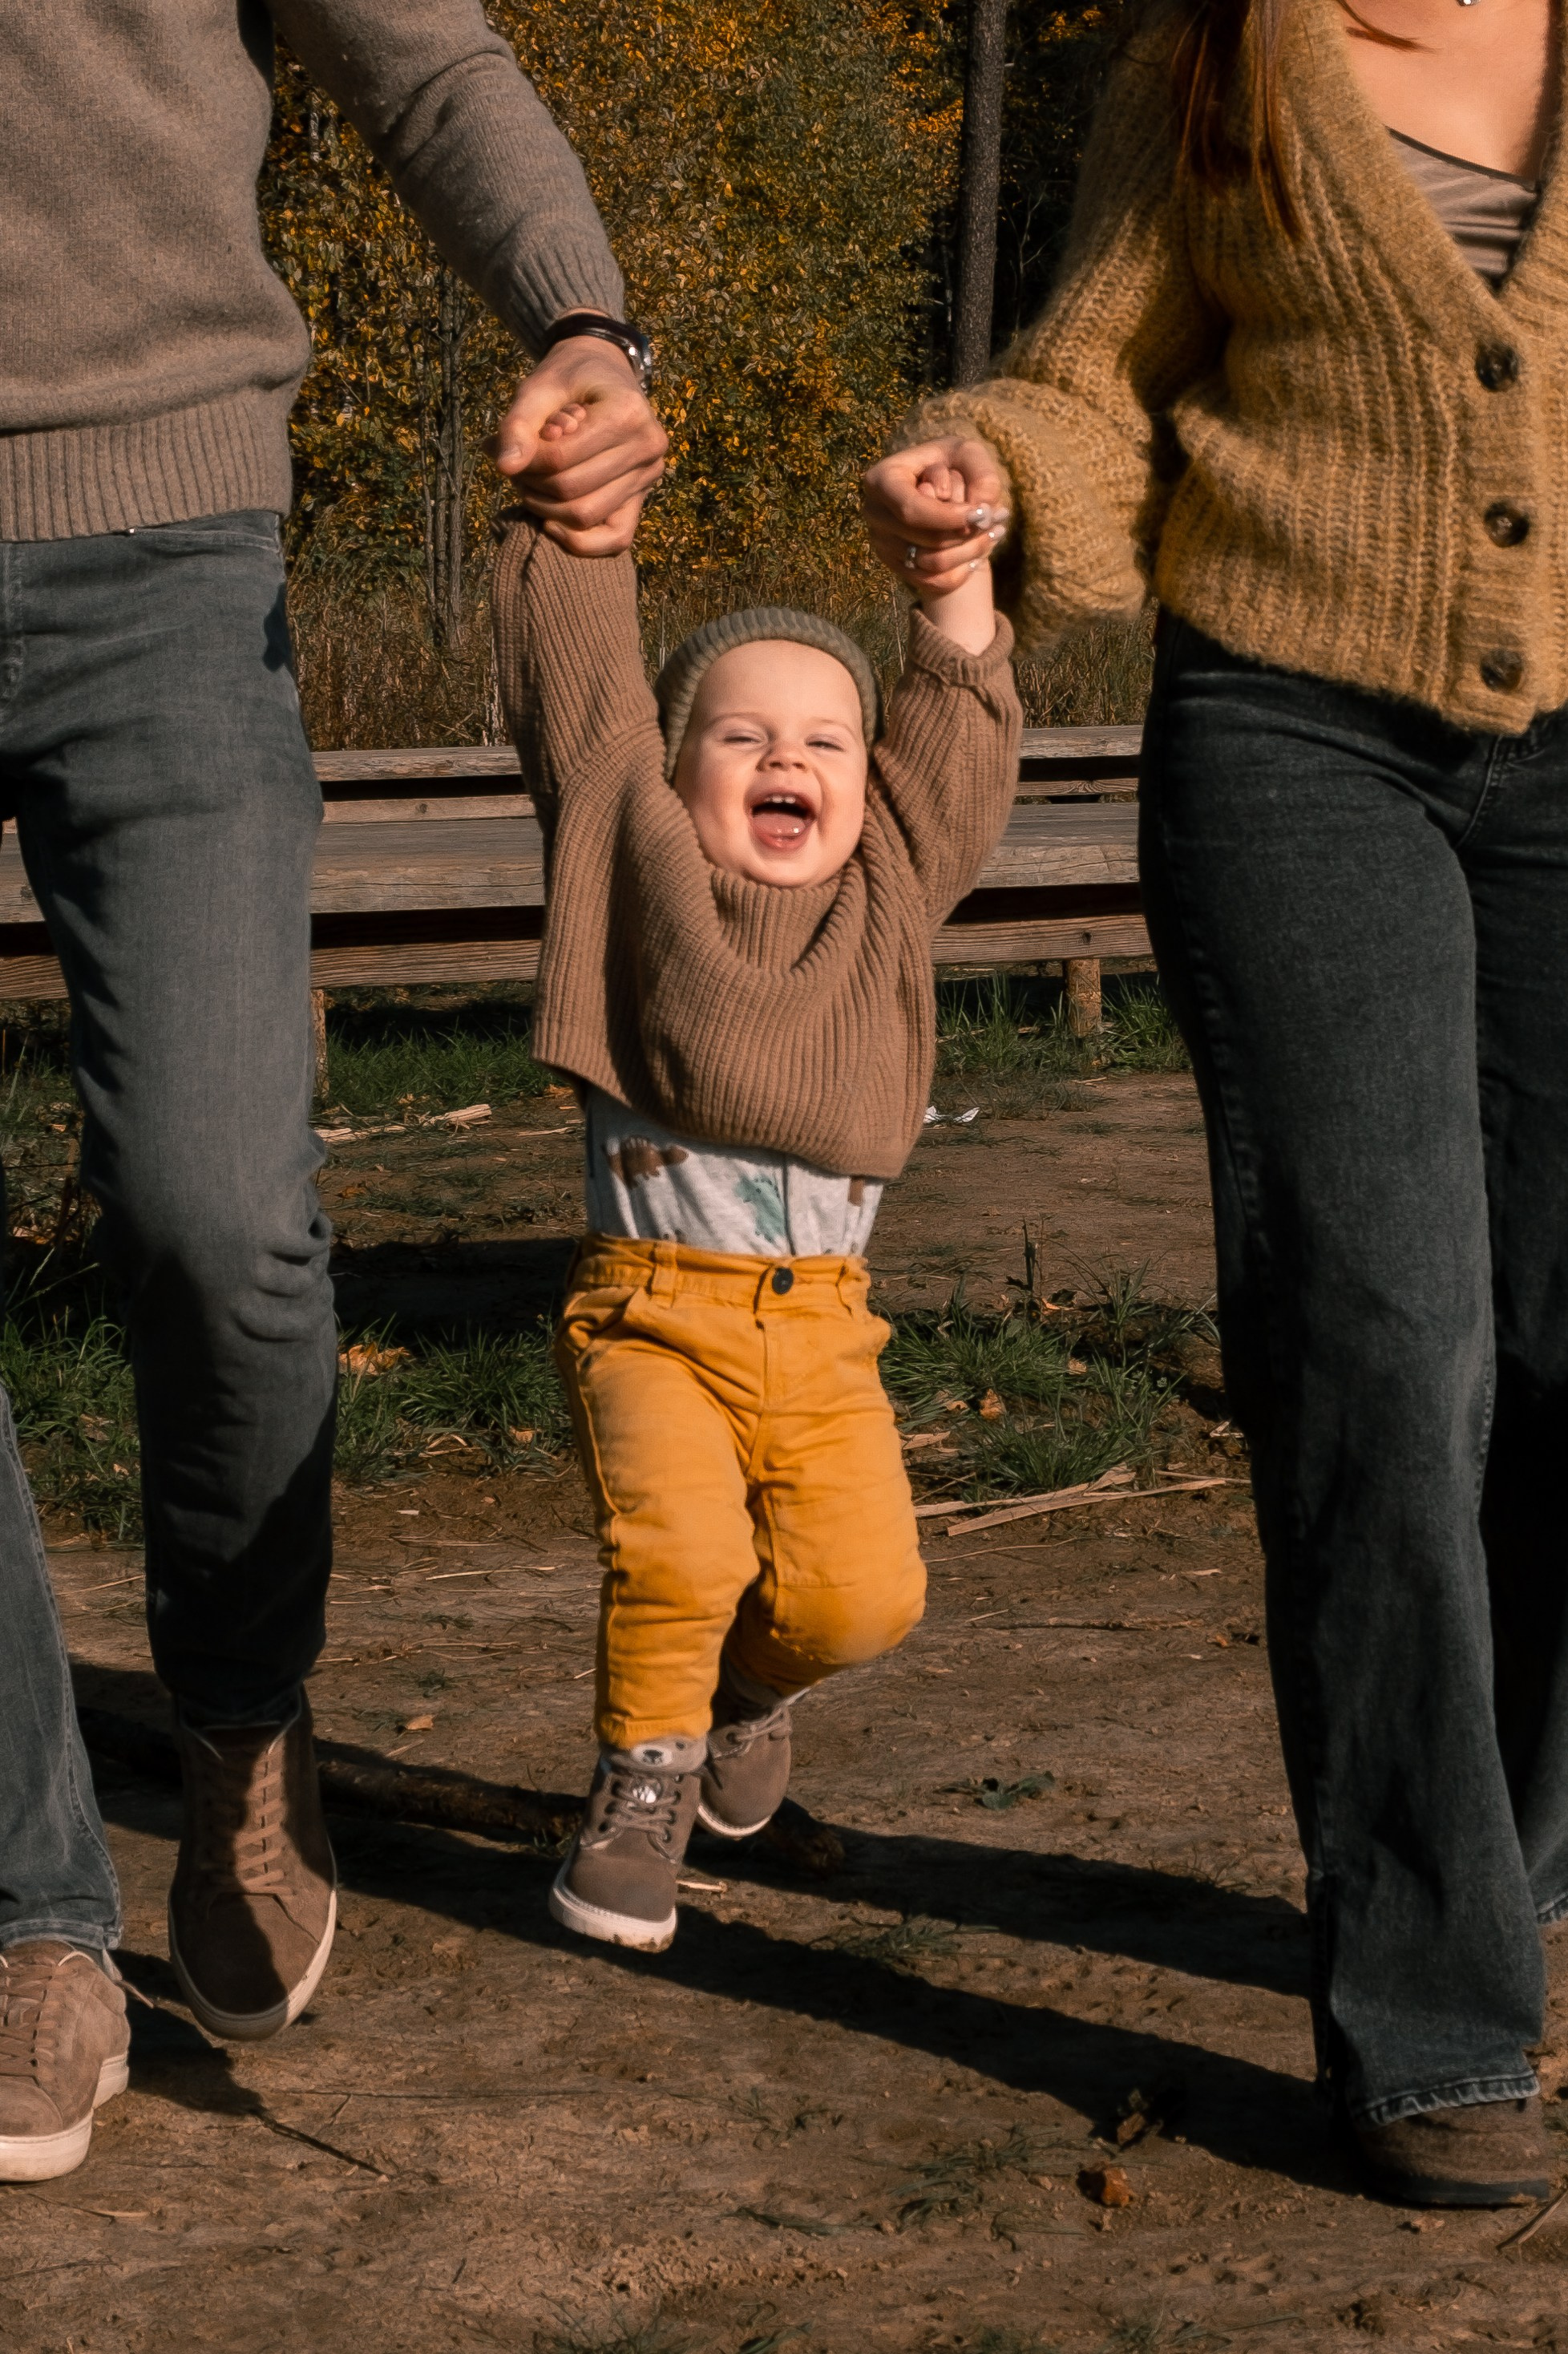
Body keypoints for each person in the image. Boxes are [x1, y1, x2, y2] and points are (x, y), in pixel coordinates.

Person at [863, 0, 1564, 2209]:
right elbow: (1090, 377)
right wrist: (989, 469)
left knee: (1554, 1340)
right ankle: (1430, 1999)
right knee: (1378, 1337)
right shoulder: (1220, 51)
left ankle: (1519, 1865)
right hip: (1293, 744)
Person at [0, 0, 665, 2184]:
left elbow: (430, 54)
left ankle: (240, 1708)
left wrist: (577, 309)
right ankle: (33, 1907)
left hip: (159, 547)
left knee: (219, 1212)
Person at [488, 436, 1020, 1952]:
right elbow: (580, 701)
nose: (787, 761)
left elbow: (963, 736)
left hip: (828, 1334)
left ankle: (742, 1696)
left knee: (864, 1601)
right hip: (653, 1311)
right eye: (740, 737)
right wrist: (581, 522)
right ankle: (642, 1781)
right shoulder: (627, 847)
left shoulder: (892, 890)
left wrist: (950, 576)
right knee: (681, 1554)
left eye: (827, 742)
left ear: (873, 784)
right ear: (673, 769)